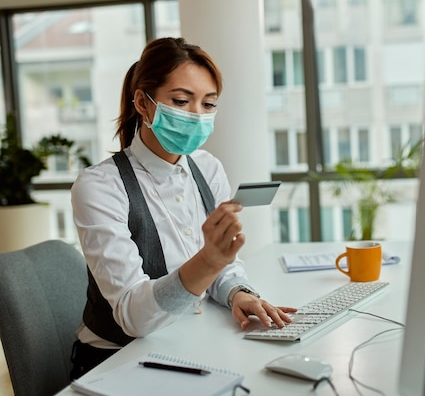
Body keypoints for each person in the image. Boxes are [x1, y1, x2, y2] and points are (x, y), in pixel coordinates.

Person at [69, 37, 296, 379]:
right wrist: (209, 260)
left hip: (187, 345)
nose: (197, 116)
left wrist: (236, 292)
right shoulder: (100, 187)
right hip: (117, 363)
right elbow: (133, 318)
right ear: (144, 104)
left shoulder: (207, 168)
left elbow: (224, 268)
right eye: (181, 101)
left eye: (208, 104)